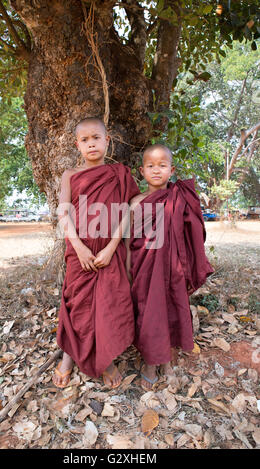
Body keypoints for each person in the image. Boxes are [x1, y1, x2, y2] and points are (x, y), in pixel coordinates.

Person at [53, 117, 140, 389]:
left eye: (96, 138)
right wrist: (78, 248)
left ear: (107, 141)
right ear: (77, 144)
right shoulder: (70, 176)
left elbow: (127, 211)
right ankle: (69, 356)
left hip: (109, 252)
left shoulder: (120, 174)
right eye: (85, 140)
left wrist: (112, 247)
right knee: (76, 304)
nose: (91, 144)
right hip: (79, 252)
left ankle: (105, 360)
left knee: (107, 305)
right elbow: (64, 214)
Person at [126, 144, 214, 391]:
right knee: (148, 314)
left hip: (171, 268)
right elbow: (127, 241)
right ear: (142, 171)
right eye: (151, 166)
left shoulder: (180, 198)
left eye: (162, 165)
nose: (156, 170)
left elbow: (192, 231)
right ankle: (151, 364)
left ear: (172, 169)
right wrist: (127, 268)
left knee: (170, 311)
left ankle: (165, 361)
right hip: (143, 269)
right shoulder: (135, 202)